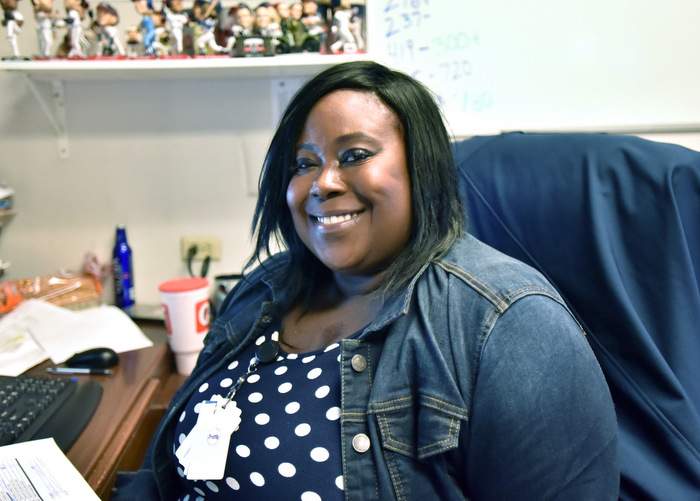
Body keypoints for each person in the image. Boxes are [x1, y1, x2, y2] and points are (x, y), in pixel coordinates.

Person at [113, 61, 619, 500]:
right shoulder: (262, 289)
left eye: (354, 155)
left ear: (421, 167)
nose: (323, 182)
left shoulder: (508, 322)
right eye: (304, 163)